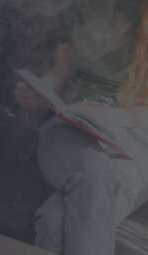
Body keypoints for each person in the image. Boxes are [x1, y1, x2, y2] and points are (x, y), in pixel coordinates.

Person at [15, 0, 148, 255]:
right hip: (76, 119)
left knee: (55, 223)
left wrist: (110, 117)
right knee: (93, 174)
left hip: (135, 135)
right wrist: (39, 91)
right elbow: (59, 72)